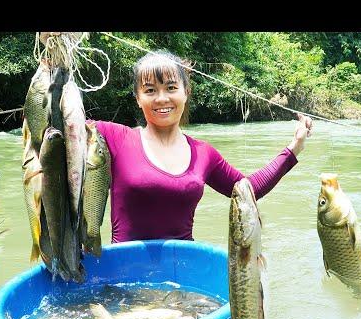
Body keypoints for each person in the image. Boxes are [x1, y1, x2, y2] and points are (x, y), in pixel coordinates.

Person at [40, 33, 313, 243]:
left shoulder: (205, 154)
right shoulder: (111, 138)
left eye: (171, 87)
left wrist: (295, 147)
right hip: (124, 275)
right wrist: (53, 52)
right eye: (150, 90)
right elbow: (55, 129)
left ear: (186, 92)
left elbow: (248, 190)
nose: (162, 98)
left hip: (183, 276)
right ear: (137, 98)